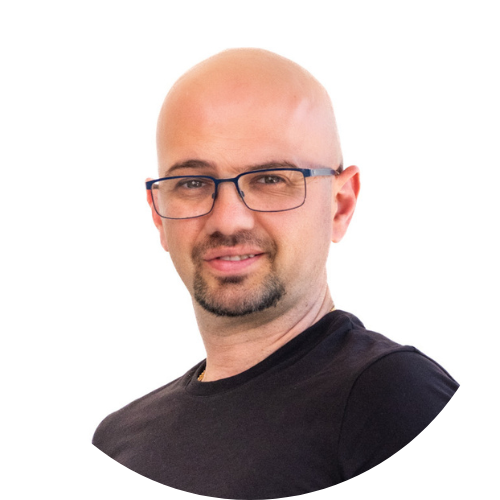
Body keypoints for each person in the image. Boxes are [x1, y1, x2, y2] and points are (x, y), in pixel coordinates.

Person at [92, 48, 459, 496]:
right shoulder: (119, 440)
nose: (229, 221)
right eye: (192, 183)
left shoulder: (389, 398)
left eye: (271, 179)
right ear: (158, 213)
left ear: (340, 206)